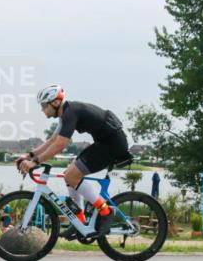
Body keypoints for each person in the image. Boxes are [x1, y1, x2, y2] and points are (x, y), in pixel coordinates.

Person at [16, 85, 131, 240]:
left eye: (44, 105)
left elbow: (60, 145)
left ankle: (106, 211)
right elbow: (52, 140)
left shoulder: (70, 113)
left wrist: (35, 162)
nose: (42, 110)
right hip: (104, 143)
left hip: (113, 145)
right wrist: (29, 156)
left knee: (71, 175)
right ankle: (79, 222)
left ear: (55, 103)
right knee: (69, 175)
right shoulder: (66, 113)